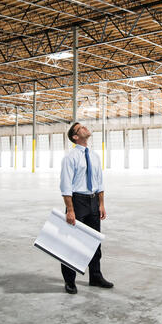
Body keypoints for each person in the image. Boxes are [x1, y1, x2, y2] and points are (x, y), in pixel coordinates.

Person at [60, 122, 113, 294]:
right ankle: (70, 281)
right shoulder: (70, 157)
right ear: (75, 137)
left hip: (93, 202)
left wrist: (101, 204)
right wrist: (70, 209)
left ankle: (95, 276)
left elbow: (99, 181)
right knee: (71, 243)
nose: (85, 128)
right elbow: (66, 185)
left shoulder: (95, 156)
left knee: (94, 241)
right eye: (80, 128)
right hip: (77, 201)